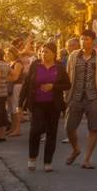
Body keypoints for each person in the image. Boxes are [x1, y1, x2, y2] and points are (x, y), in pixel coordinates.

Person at [20, 42, 70, 172]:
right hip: (37, 103)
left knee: (51, 133)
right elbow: (26, 84)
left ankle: (48, 161)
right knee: (36, 129)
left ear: (54, 53)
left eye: (46, 51)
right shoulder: (35, 65)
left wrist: (53, 87)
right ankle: (32, 157)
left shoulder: (59, 67)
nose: (43, 54)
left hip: (53, 104)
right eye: (42, 51)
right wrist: (20, 104)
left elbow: (67, 85)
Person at [65, 29, 97, 169]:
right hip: (75, 96)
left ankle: (87, 159)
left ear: (93, 41)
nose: (83, 42)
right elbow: (67, 76)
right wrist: (65, 95)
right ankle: (76, 149)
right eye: (82, 39)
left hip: (93, 97)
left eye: (86, 39)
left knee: (93, 128)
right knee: (69, 127)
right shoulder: (73, 55)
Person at [5, 47, 25, 137]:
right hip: (11, 86)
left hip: (17, 86)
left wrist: (4, 79)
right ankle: (13, 128)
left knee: (16, 107)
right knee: (11, 108)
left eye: (9, 53)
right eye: (7, 54)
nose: (8, 55)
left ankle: (17, 129)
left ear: (14, 53)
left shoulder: (18, 63)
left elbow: (16, 77)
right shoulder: (11, 63)